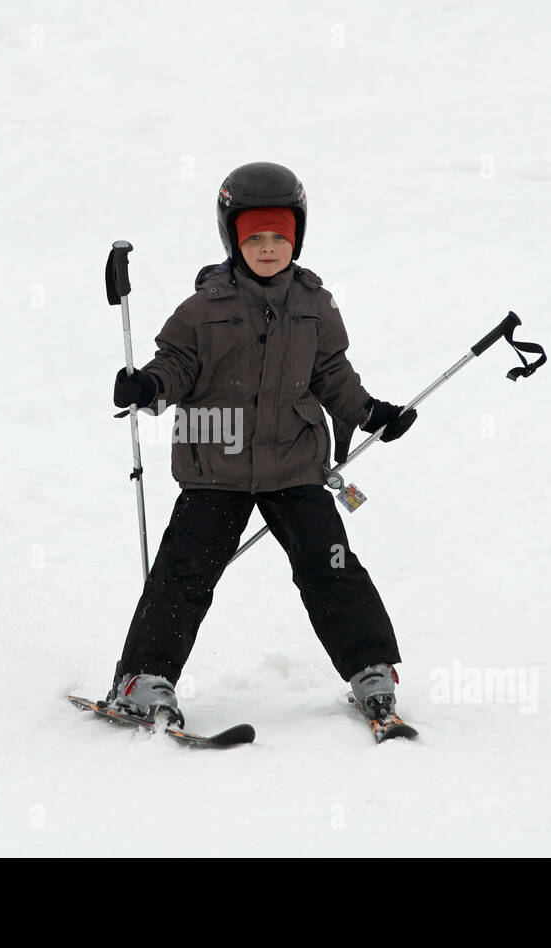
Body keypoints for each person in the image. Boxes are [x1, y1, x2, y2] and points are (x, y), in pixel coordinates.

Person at [107, 161, 418, 727]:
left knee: (333, 567)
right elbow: (174, 366)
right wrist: (148, 386)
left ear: (297, 235)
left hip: (295, 466)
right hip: (215, 468)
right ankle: (142, 678)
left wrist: (371, 413)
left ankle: (370, 666)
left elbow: (333, 375)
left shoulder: (315, 306)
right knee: (184, 572)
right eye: (255, 236)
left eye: (280, 235)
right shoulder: (203, 310)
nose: (269, 247)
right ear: (232, 237)